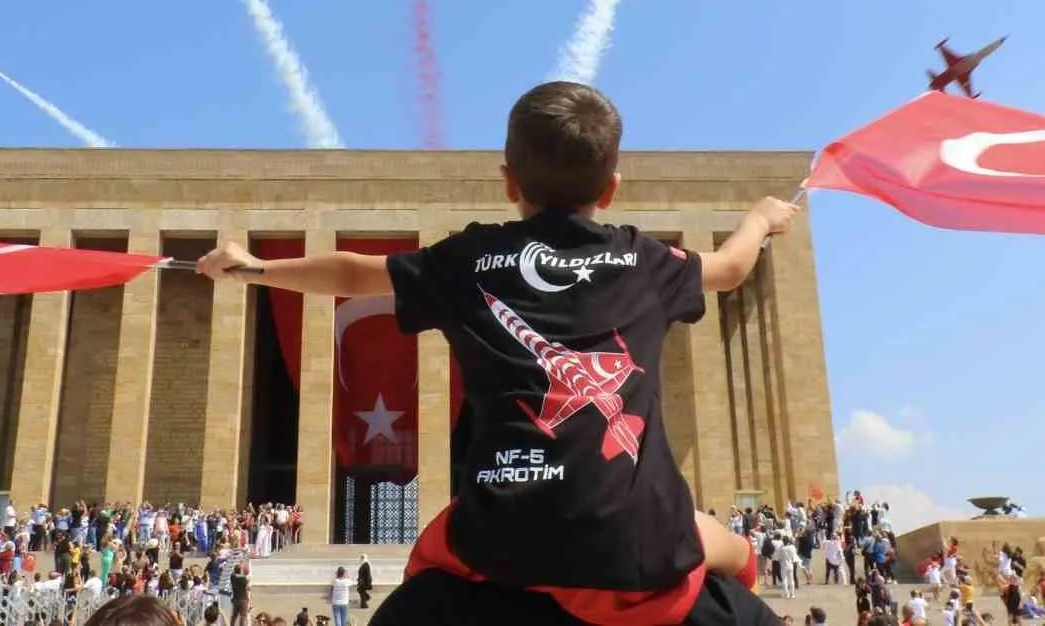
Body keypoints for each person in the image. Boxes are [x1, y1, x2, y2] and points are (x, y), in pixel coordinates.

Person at [197, 80, 794, 626]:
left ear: (509, 181)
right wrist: (761, 217)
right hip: (636, 541)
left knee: (433, 559)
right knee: (712, 538)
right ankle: (743, 562)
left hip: (505, 532)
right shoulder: (646, 261)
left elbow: (354, 275)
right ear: (611, 190)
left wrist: (257, 268)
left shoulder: (469, 259)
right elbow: (734, 267)